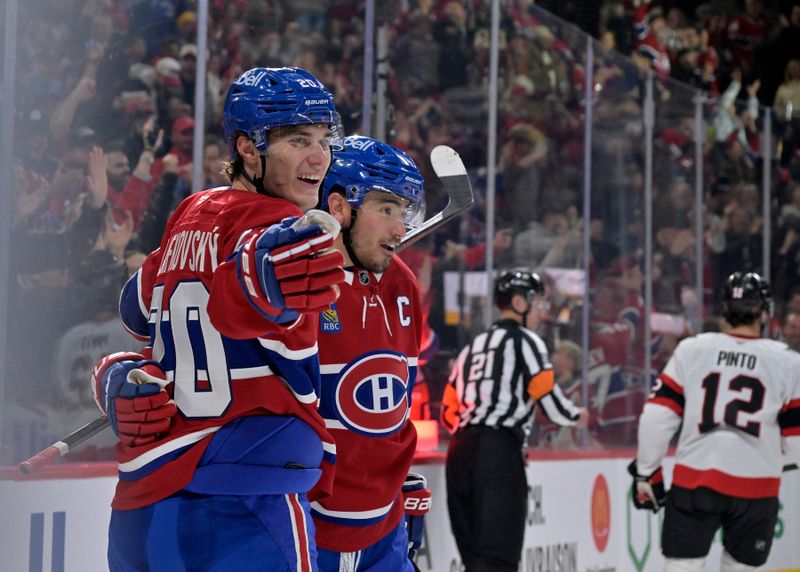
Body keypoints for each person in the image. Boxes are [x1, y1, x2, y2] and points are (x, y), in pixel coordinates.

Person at [88, 66, 347, 571]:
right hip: (245, 501)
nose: (320, 158)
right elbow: (248, 287)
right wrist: (266, 281)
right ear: (248, 148)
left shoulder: (191, 211)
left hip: (149, 500)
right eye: (298, 140)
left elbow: (137, 311)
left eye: (322, 140)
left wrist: (118, 375)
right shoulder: (279, 227)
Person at [310, 135, 431, 572]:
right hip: (306, 528)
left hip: (385, 531)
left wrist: (398, 476)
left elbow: (394, 404)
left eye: (403, 212)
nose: (400, 230)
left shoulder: (402, 284)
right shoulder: (295, 282)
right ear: (339, 207)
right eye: (385, 209)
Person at [630, 272, 800, 571]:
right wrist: (775, 457)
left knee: (681, 567)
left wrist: (647, 473)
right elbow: (796, 442)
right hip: (756, 490)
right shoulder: (788, 362)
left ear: (724, 309)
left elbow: (657, 416)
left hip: (695, 482)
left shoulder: (692, 349)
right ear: (764, 311)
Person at [440, 269, 588, 572]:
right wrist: (575, 416)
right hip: (496, 452)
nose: (542, 313)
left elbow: (447, 411)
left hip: (459, 452)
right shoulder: (527, 341)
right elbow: (546, 396)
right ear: (520, 302)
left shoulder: (472, 347)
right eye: (540, 305)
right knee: (497, 557)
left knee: (475, 558)